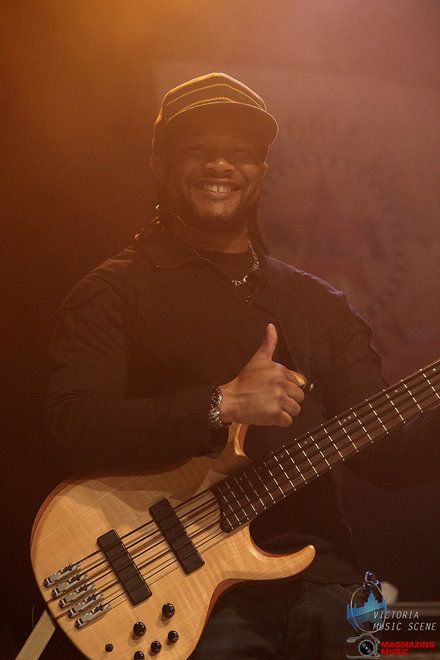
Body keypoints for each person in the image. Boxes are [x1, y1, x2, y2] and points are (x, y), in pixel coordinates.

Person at [46, 72, 439, 659]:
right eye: (197, 150)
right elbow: (72, 426)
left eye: (240, 152)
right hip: (190, 596)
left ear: (261, 170)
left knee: (419, 642)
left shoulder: (317, 304)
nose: (220, 165)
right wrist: (219, 404)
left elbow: (386, 456)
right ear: (159, 165)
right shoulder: (114, 290)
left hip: (331, 583)